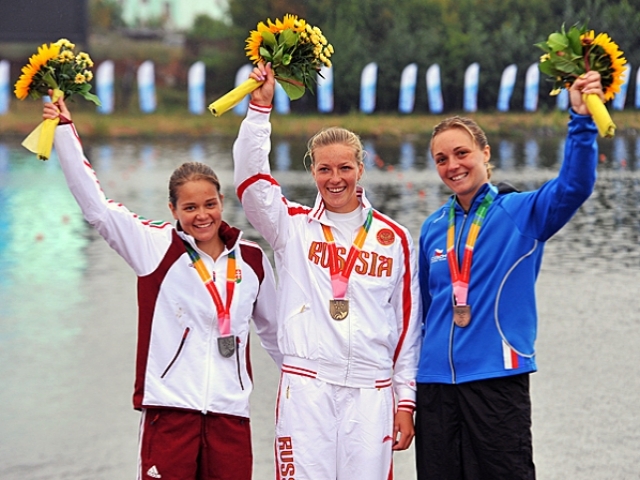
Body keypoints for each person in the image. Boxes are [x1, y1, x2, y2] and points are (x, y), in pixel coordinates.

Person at [42, 91, 281, 480]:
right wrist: (65, 132)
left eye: (209, 204)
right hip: (169, 413)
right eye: (190, 208)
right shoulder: (153, 247)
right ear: (173, 209)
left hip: (230, 415)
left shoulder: (252, 259)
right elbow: (97, 209)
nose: (202, 216)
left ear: (221, 201)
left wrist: (307, 391)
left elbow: (276, 334)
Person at [232, 63, 422, 480]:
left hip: (372, 391)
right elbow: (250, 183)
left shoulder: (394, 238)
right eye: (324, 169)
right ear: (313, 170)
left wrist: (405, 399)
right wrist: (259, 112)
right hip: (307, 387)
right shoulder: (291, 226)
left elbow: (407, 326)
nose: (335, 179)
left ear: (360, 168)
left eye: (344, 168)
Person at [415, 71, 604, 479]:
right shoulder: (432, 227)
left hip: (496, 379)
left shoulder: (522, 212)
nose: (453, 165)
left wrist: (581, 120)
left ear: (485, 152)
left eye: (462, 153)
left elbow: (574, 186)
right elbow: (426, 313)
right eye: (442, 159)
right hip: (435, 385)